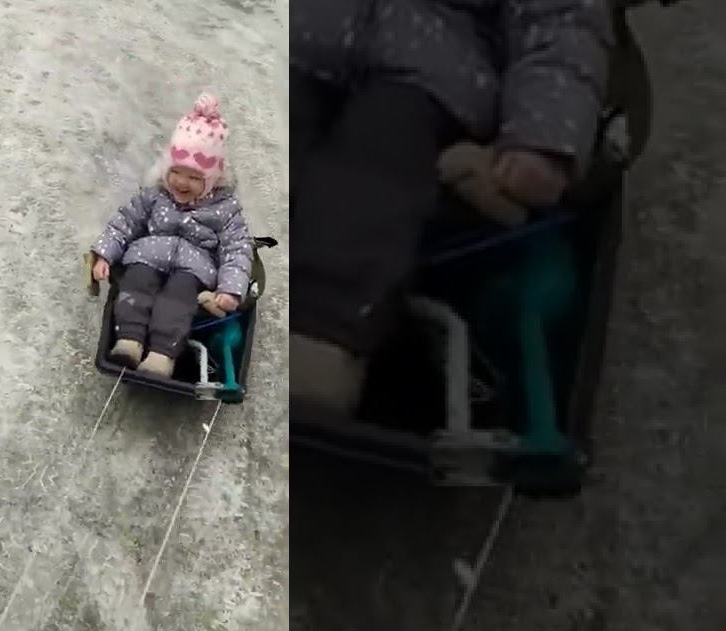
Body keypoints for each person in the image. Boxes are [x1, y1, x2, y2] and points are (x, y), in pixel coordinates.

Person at [290, 0, 613, 415]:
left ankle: (319, 331)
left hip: (433, 69)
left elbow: (562, 21)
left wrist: (542, 135)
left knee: (375, 171)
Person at [90, 93, 254, 379]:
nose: (181, 182)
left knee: (177, 300)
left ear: (212, 179)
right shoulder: (156, 194)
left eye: (194, 178)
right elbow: (126, 222)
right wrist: (104, 253)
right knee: (136, 283)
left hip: (193, 269)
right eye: (176, 172)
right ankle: (129, 340)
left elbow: (237, 249)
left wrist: (230, 289)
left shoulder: (225, 209)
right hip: (147, 256)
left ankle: (162, 354)